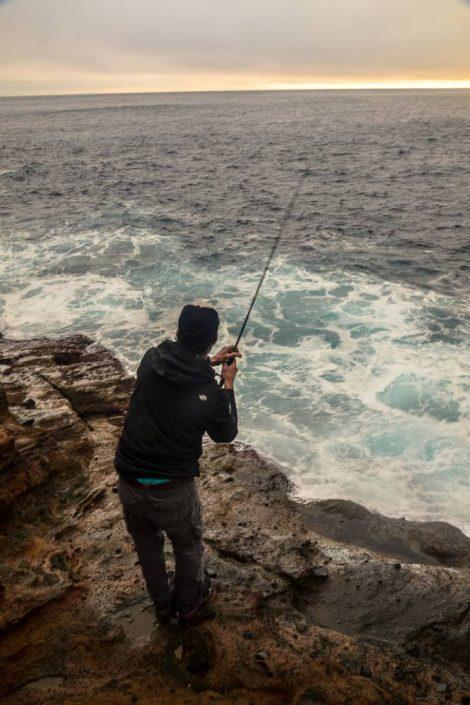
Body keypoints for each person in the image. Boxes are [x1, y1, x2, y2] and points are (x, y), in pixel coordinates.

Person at [115, 304, 241, 624]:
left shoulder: (151, 359)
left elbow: (177, 370)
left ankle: (162, 605)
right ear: (212, 339)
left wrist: (206, 364)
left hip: (129, 479)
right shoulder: (206, 389)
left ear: (179, 330)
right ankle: (188, 606)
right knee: (187, 546)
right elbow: (225, 433)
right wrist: (226, 382)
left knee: (148, 548)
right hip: (171, 488)